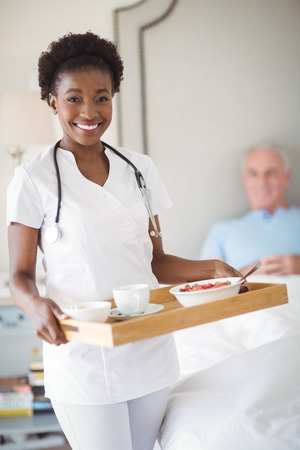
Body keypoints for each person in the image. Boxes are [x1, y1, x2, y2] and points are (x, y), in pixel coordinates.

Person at [6, 31, 241, 450]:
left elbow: (157, 262)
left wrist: (213, 270)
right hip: (82, 355)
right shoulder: (32, 178)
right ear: (52, 102)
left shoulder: (140, 169)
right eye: (74, 98)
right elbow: (20, 277)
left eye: (102, 97)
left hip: (148, 346)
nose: (89, 111)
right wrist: (35, 304)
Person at [200, 145, 300, 276]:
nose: (262, 182)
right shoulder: (221, 232)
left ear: (286, 177)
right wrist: (247, 273)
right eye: (253, 174)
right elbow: (207, 286)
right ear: (245, 180)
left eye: (270, 173)